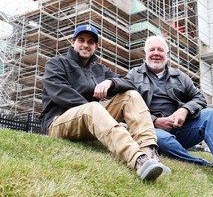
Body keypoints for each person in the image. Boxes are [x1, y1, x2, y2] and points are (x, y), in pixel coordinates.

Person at [40, 24, 170, 182]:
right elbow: (60, 93)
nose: (86, 45)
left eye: (90, 42)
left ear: (96, 46)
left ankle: (150, 154)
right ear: (72, 42)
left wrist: (110, 83)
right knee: (93, 108)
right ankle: (138, 160)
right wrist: (99, 114)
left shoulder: (99, 70)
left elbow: (130, 83)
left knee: (131, 95)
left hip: (92, 121)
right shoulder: (56, 63)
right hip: (58, 122)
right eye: (81, 40)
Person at [126, 35, 213, 195]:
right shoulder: (133, 76)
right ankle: (200, 163)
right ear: (145, 53)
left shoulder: (180, 77)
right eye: (152, 50)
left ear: (167, 54)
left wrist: (185, 110)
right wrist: (155, 121)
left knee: (212, 114)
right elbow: (127, 107)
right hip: (151, 130)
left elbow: (200, 98)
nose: (156, 53)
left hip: (180, 129)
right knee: (160, 137)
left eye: (160, 50)